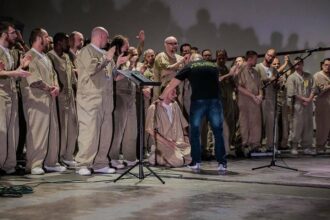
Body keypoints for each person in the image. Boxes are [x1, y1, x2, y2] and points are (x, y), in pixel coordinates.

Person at [160, 53, 227, 171]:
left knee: (195, 132)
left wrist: (161, 97)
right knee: (218, 131)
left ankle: (196, 162)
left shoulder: (190, 66)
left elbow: (172, 84)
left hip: (198, 102)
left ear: (191, 60)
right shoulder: (213, 66)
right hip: (215, 101)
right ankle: (222, 163)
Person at [75, 27, 126, 175]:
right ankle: (83, 163)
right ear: (100, 36)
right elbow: (92, 69)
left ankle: (100, 163)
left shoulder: (105, 54)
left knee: (105, 132)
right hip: (90, 99)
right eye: (107, 37)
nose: (108, 40)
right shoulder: (86, 51)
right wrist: (108, 59)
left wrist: (118, 65)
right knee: (89, 132)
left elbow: (112, 76)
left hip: (106, 100)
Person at [20, 28, 66, 175]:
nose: (48, 39)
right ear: (39, 38)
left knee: (53, 131)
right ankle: (34, 164)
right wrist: (50, 88)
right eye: (46, 37)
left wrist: (56, 87)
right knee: (37, 132)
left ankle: (51, 162)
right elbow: (33, 80)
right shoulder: (29, 55)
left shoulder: (45, 57)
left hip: (49, 98)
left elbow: (53, 75)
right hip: (36, 99)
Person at [0, 22, 31, 174]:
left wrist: (21, 68)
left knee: (13, 130)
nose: (15, 36)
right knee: (2, 130)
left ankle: (9, 164)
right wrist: (16, 72)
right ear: (4, 34)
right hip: (1, 94)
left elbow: (12, 74)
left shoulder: (10, 52)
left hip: (12, 93)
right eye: (12, 33)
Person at [47, 32, 78, 168]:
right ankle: (58, 156)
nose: (69, 44)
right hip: (58, 97)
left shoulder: (66, 57)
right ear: (59, 42)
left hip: (70, 96)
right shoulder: (50, 56)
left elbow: (72, 78)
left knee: (72, 126)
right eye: (66, 41)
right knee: (61, 127)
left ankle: (68, 155)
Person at [146, 88, 192, 167]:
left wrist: (186, 139)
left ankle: (168, 157)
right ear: (165, 91)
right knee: (178, 162)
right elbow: (149, 129)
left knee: (193, 157)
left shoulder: (175, 105)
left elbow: (183, 124)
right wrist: (168, 143)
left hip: (177, 143)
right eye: (173, 91)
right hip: (163, 143)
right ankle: (156, 155)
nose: (176, 94)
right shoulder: (154, 107)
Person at [286, 57, 315, 155]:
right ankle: (294, 146)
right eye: (295, 64)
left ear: (302, 64)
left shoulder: (309, 76)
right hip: (297, 105)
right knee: (296, 126)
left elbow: (313, 89)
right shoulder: (291, 77)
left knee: (308, 126)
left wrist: (309, 99)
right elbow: (292, 92)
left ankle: (307, 146)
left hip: (308, 104)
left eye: (298, 64)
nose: (297, 66)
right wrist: (304, 99)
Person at [236, 51, 263, 155]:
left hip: (255, 102)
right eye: (255, 59)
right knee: (244, 123)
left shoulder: (255, 72)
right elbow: (239, 86)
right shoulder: (241, 70)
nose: (256, 61)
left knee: (256, 123)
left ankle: (255, 144)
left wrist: (260, 95)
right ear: (250, 59)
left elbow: (260, 86)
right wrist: (252, 96)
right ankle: (245, 144)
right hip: (245, 101)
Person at [254, 48, 278, 152]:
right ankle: (256, 146)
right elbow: (254, 82)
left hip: (271, 99)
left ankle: (270, 145)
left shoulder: (274, 70)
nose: (270, 58)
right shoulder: (258, 67)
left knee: (271, 123)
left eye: (272, 56)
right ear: (265, 55)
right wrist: (268, 79)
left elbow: (276, 86)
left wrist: (277, 82)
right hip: (260, 99)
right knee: (259, 123)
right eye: (269, 55)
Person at [153, 36, 187, 101]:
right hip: (163, 90)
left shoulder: (180, 58)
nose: (174, 46)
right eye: (171, 44)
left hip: (178, 91)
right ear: (165, 44)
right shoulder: (161, 56)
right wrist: (180, 63)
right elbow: (167, 69)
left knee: (176, 109)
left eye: (176, 43)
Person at [313, 58, 330, 154]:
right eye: (326, 65)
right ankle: (319, 146)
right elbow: (321, 90)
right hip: (322, 104)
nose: (328, 67)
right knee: (322, 126)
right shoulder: (318, 76)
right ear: (322, 65)